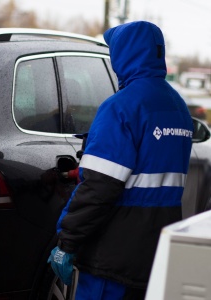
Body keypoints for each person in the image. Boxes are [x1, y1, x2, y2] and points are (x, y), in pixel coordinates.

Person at [47, 21, 193, 299]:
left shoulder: (122, 107)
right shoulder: (178, 106)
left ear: (123, 54)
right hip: (156, 254)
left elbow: (99, 187)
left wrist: (66, 242)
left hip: (113, 258)